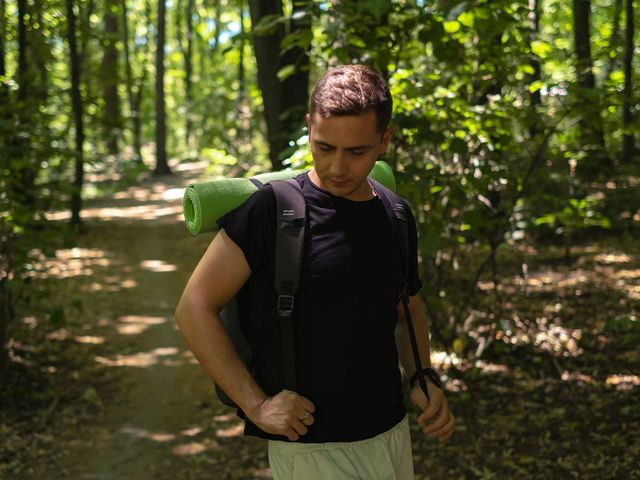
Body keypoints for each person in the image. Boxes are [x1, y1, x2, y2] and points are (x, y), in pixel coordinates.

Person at [175, 64, 454, 479]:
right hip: (312, 450)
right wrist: (256, 405)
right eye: (324, 147)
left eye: (356, 152)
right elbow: (193, 307)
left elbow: (406, 305)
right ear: (309, 128)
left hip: (392, 433)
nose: (338, 167)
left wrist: (421, 374)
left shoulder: (395, 214)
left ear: (385, 140)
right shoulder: (273, 211)